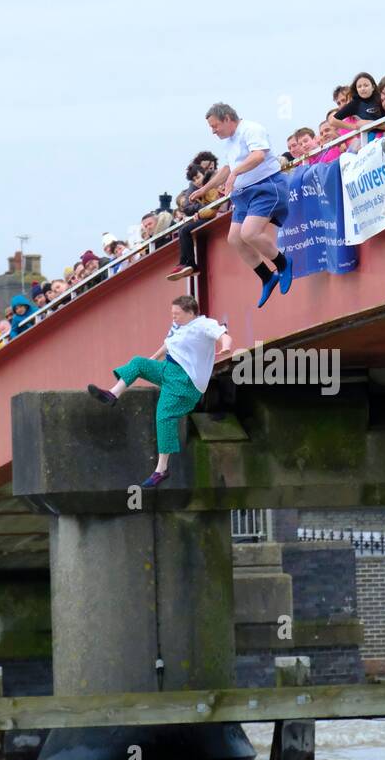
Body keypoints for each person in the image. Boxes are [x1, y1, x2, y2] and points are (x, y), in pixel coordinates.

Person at [86, 293, 232, 487]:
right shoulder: (178, 326)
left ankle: (161, 469)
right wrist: (151, 361)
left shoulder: (203, 325)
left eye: (177, 314)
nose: (173, 317)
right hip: (167, 369)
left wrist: (226, 348)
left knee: (164, 417)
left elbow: (224, 335)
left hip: (184, 380)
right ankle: (112, 395)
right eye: (172, 313)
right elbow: (167, 344)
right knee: (138, 362)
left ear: (190, 312)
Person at [196, 103, 292, 309]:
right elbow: (228, 168)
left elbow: (258, 155)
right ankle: (267, 277)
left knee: (249, 233)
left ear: (228, 119)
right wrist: (206, 189)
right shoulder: (229, 140)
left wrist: (235, 173)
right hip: (244, 194)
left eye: (215, 126)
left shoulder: (251, 129)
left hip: (266, 187)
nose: (213, 131)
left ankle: (283, 263)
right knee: (235, 239)